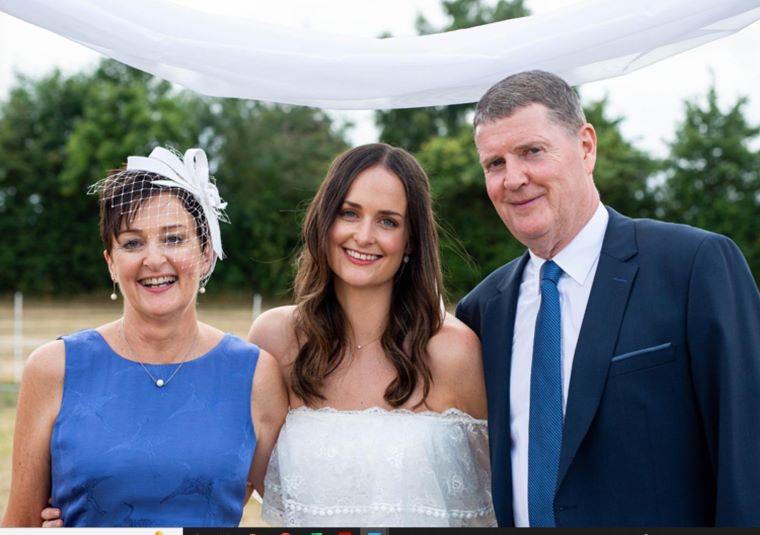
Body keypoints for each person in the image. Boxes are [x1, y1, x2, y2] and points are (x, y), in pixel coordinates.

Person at [455, 70, 760, 527]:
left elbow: (749, 454)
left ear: (586, 146)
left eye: (531, 152)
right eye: (494, 164)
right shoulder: (482, 311)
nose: (513, 179)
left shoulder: (694, 265)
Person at [2, 147, 287, 527]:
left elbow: (300, 514)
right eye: (132, 243)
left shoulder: (254, 375)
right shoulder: (53, 368)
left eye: (173, 239)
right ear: (111, 263)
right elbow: (19, 524)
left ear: (205, 254)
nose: (153, 259)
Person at [249, 143, 495, 527]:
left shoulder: (454, 350)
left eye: (388, 221)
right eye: (349, 213)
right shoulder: (276, 340)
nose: (364, 236)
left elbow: (500, 502)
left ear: (411, 239)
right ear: (324, 220)